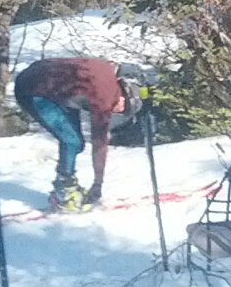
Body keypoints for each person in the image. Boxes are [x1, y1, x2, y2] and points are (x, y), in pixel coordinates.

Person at [12, 56, 145, 210]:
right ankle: (64, 190)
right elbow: (99, 143)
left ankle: (65, 183)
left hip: (53, 86)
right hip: (33, 90)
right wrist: (98, 184)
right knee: (72, 142)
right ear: (123, 96)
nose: (118, 112)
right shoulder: (105, 96)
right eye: (123, 110)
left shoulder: (106, 77)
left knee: (76, 142)